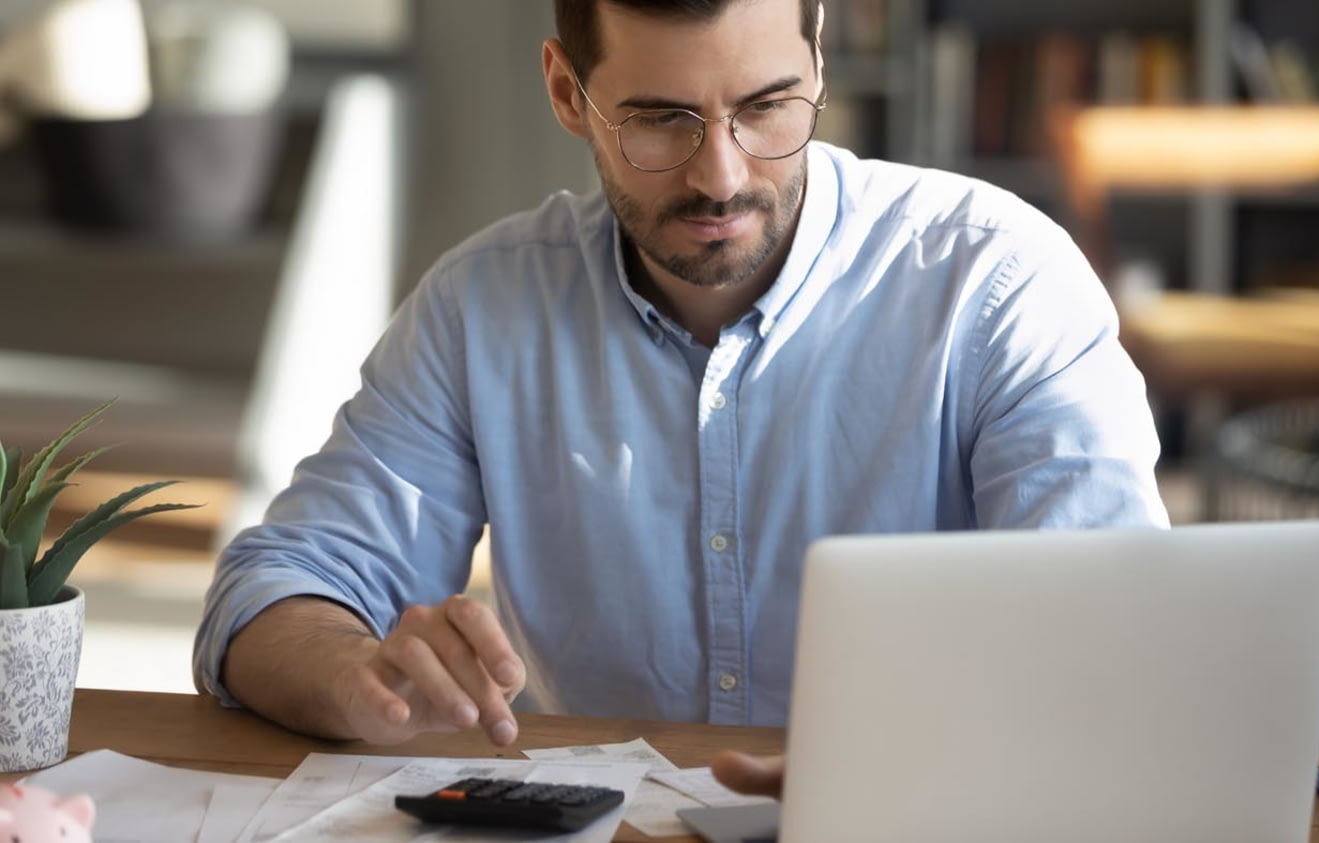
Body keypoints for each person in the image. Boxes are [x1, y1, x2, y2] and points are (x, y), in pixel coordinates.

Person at [193, 0, 1169, 775]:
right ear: (568, 94)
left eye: (766, 107)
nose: (721, 176)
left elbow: (1114, 638)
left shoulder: (997, 284)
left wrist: (903, 770)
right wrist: (352, 671)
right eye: (662, 120)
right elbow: (269, 593)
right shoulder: (479, 307)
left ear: (819, 61)